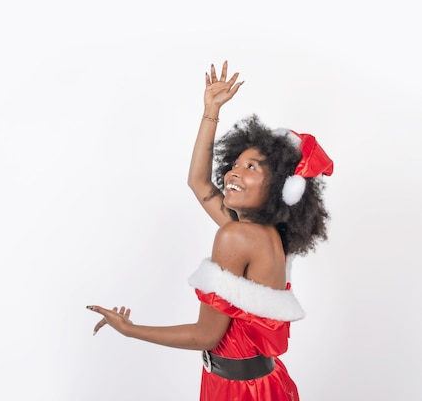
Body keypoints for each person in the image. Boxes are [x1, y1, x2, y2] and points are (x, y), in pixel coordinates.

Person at [87, 60, 333, 400]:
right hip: (259, 383)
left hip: (239, 391)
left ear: (278, 186)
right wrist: (210, 112)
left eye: (251, 167)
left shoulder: (236, 236)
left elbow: (206, 336)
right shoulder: (264, 233)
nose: (233, 173)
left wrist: (130, 330)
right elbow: (199, 183)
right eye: (234, 164)